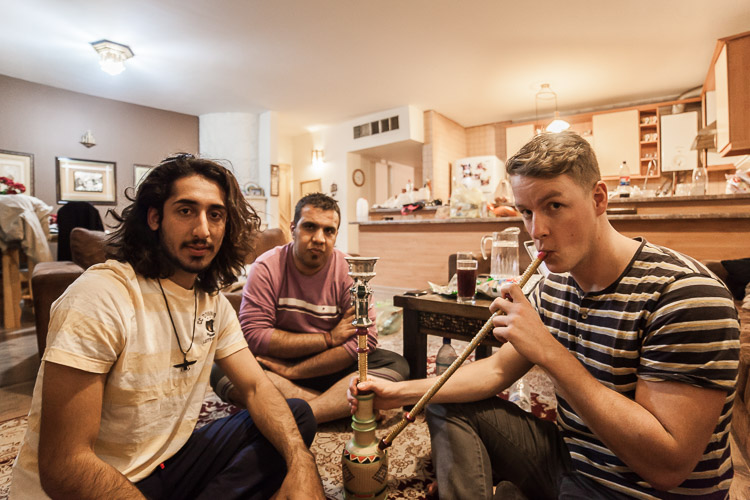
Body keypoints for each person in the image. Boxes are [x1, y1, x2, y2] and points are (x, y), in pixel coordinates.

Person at [350, 131, 740, 499]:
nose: (537, 230)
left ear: (599, 198)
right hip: (570, 460)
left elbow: (667, 465)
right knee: (444, 392)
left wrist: (548, 351)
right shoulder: (555, 285)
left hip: (638, 490)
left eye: (555, 206)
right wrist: (397, 393)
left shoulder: (685, 295)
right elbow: (497, 371)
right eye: (526, 212)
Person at [11, 154, 325, 500]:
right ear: (155, 217)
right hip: (94, 484)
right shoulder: (101, 296)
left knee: (296, 418)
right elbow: (64, 467)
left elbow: (254, 388)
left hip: (165, 465)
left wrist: (302, 464)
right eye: (186, 210)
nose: (203, 230)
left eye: (215, 215)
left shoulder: (213, 304)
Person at [212, 192, 409, 423]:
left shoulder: (350, 272)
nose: (319, 238)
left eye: (329, 231)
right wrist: (328, 338)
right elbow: (254, 336)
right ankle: (334, 406)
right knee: (222, 370)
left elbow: (365, 340)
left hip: (329, 366)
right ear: (293, 228)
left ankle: (301, 413)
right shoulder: (266, 267)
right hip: (275, 364)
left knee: (396, 366)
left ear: (336, 235)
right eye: (310, 227)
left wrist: (295, 372)